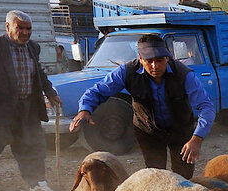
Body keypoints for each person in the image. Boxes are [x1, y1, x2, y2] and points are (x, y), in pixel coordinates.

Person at [70, 34, 215, 178]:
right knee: (155, 174)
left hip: (181, 129)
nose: (155, 66)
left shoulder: (185, 74)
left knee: (184, 175)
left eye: (160, 60)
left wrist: (197, 138)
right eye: (149, 61)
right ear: (140, 59)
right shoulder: (126, 72)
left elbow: (206, 107)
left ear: (167, 57)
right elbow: (98, 91)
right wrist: (85, 109)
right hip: (147, 131)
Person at [0, 10, 63, 191]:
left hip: (27, 107)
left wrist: (50, 93)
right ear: (8, 27)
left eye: (29, 29)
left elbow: (39, 74)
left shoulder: (33, 47)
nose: (25, 33)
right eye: (20, 28)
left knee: (32, 146)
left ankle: (36, 184)